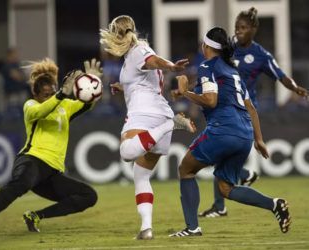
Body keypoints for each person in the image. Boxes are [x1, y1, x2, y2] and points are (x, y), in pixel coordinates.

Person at [169, 27, 291, 237]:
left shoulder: (207, 65)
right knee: (226, 188)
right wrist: (259, 139)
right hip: (245, 134)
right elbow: (251, 108)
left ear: (205, 46)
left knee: (186, 169)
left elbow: (210, 100)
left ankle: (192, 228)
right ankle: (274, 204)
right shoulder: (232, 71)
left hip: (223, 130)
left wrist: (185, 92)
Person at [0, 58, 102, 236]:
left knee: (89, 196)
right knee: (19, 184)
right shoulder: (31, 106)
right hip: (31, 161)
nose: (49, 97)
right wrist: (60, 95)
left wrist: (94, 84)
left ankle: (36, 215)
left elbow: (87, 103)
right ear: (35, 95)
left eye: (52, 93)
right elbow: (41, 111)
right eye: (45, 95)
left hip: (52, 173)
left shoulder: (65, 106)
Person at [199, 7, 308, 218]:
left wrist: (295, 88)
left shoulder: (260, 55)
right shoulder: (228, 47)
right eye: (236, 27)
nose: (238, 31)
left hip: (244, 111)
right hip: (223, 107)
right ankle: (236, 185)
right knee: (218, 155)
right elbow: (211, 65)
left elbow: (281, 76)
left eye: (243, 28)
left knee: (217, 152)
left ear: (253, 29)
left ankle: (224, 201)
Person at [100, 15, 195, 240]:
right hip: (158, 112)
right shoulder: (133, 56)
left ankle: (171, 125)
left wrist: (171, 65)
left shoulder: (138, 50)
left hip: (146, 114)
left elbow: (152, 60)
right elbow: (143, 78)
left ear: (117, 34)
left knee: (126, 152)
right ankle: (146, 229)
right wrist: (121, 87)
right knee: (140, 174)